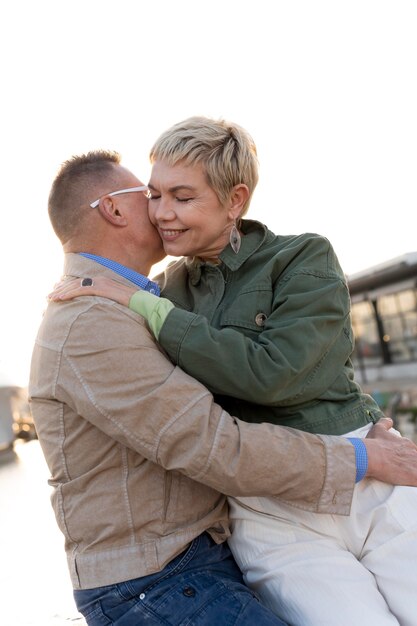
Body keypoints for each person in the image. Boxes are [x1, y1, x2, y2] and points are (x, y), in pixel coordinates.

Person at [50, 118, 417, 626]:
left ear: (235, 200)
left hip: (370, 477)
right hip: (271, 512)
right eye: (154, 195)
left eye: (182, 197)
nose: (162, 213)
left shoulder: (301, 256)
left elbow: (275, 374)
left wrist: (144, 304)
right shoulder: (162, 291)